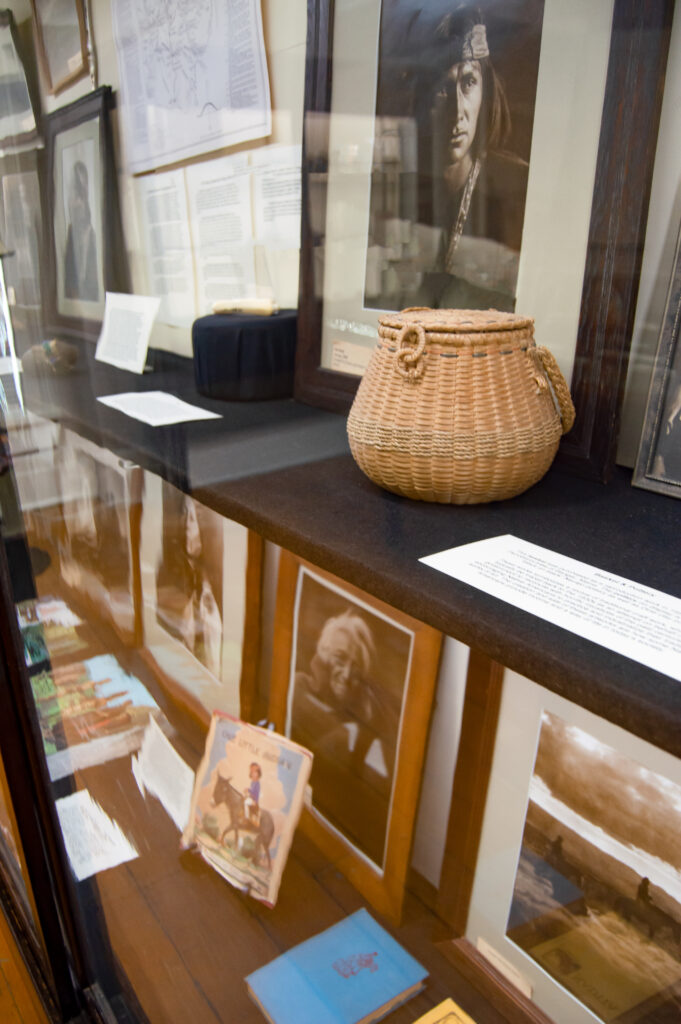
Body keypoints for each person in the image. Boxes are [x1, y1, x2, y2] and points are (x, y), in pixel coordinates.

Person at [416, 6, 529, 310]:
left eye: (468, 83)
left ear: (485, 90)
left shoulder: (518, 187)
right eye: (442, 88)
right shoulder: (409, 191)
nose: (457, 111)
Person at [64, 160, 99, 301]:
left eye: (82, 193)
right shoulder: (70, 235)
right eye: (75, 193)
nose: (78, 202)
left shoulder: (92, 235)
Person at [244, 762, 261, 826]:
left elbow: (255, 793)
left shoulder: (257, 783)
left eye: (255, 773)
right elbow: (251, 792)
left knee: (246, 802)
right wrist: (247, 793)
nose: (253, 774)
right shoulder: (252, 782)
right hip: (251, 798)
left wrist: (248, 790)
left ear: (258, 774)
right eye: (252, 773)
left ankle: (247, 818)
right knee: (243, 799)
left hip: (254, 800)